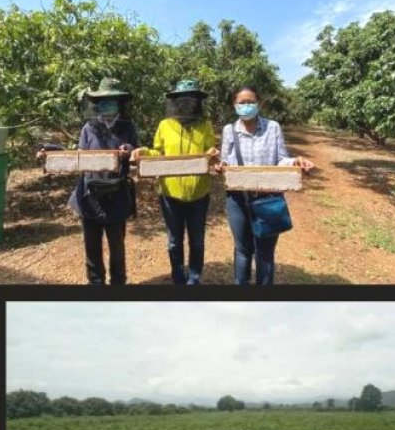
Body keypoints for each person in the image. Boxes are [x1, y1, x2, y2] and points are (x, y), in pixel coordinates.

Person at [38, 77, 138, 285]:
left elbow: (137, 153)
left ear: (119, 103)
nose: (107, 104)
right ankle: (95, 285)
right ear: (97, 103)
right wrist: (51, 152)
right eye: (103, 100)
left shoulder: (128, 127)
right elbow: (79, 155)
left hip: (116, 195)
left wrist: (128, 151)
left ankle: (118, 284)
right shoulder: (88, 128)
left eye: (112, 100)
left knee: (116, 247)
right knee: (91, 248)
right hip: (88, 196)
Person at [216, 86, 315, 285]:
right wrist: (221, 167)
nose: (246, 106)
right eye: (241, 103)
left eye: (250, 102)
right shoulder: (229, 130)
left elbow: (281, 159)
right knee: (243, 249)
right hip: (238, 198)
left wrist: (295, 162)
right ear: (234, 105)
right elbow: (225, 160)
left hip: (268, 197)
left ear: (259, 103)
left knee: (265, 251)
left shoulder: (273, 127)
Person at [134, 79, 220, 285]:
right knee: (174, 242)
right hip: (170, 194)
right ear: (175, 101)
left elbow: (210, 152)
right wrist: (145, 152)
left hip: (199, 192)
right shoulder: (165, 125)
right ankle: (178, 277)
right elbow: (159, 152)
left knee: (197, 241)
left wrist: (213, 153)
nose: (187, 103)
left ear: (198, 102)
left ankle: (194, 278)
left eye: (191, 99)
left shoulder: (205, 125)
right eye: (183, 99)